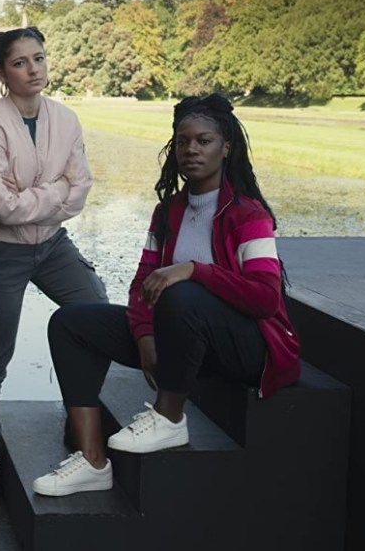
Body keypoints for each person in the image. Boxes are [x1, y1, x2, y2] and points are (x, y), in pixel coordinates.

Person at [32, 94, 301, 497]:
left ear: (226, 147)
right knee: (72, 324)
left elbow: (265, 298)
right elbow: (143, 282)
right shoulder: (168, 211)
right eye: (183, 141)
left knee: (181, 293)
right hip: (182, 338)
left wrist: (194, 270)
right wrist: (144, 335)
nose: (192, 149)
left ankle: (169, 417)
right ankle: (91, 461)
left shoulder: (249, 216)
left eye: (204, 141)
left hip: (246, 348)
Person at [0, 27, 108, 510]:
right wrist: (54, 190)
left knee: (98, 313)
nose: (34, 69)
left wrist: (41, 197)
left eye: (39, 58)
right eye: (21, 62)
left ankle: (79, 421)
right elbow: (3, 209)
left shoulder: (66, 120)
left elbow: (82, 189)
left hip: (52, 245)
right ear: (2, 72)